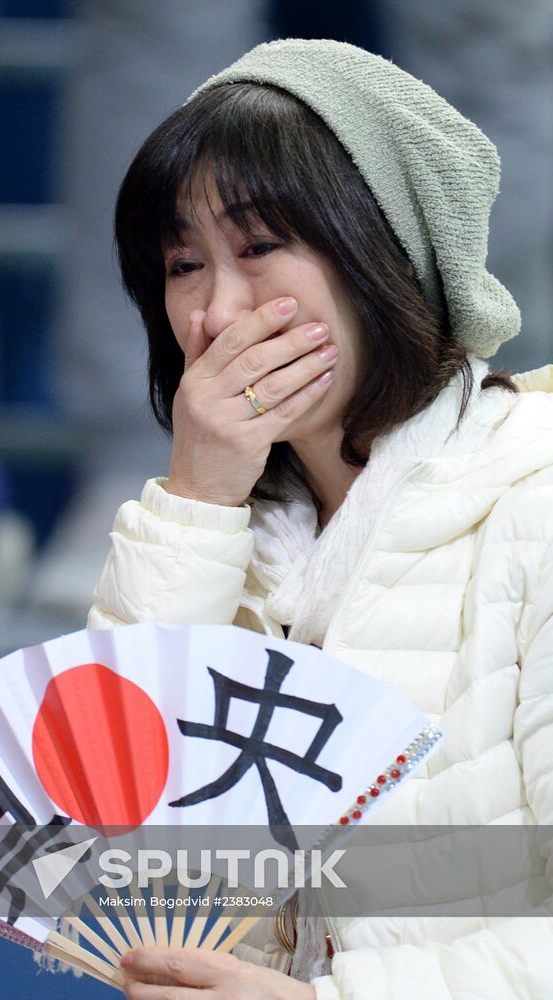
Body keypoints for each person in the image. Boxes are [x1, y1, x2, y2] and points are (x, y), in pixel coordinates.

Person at [86, 39, 553, 999]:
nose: (217, 313)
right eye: (183, 265)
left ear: (383, 251)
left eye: (260, 248)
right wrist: (200, 497)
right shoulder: (204, 527)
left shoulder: (536, 493)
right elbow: (117, 856)